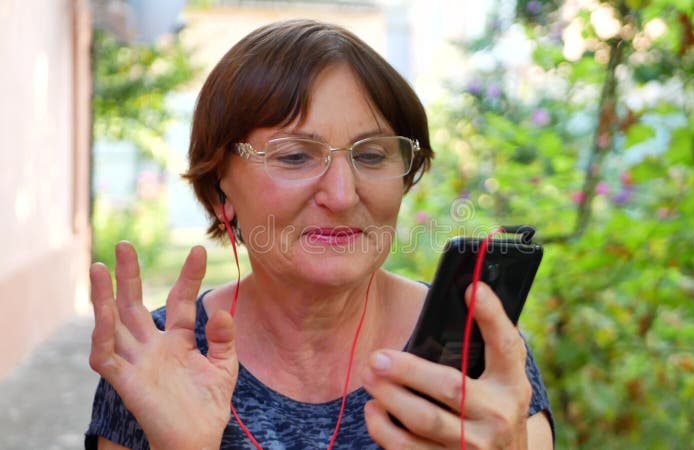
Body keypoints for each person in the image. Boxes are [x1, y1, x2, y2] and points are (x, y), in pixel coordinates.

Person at [85, 19, 554, 449]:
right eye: (294, 156)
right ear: (219, 189)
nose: (342, 194)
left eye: (372, 155)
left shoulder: (480, 357)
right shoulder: (157, 361)